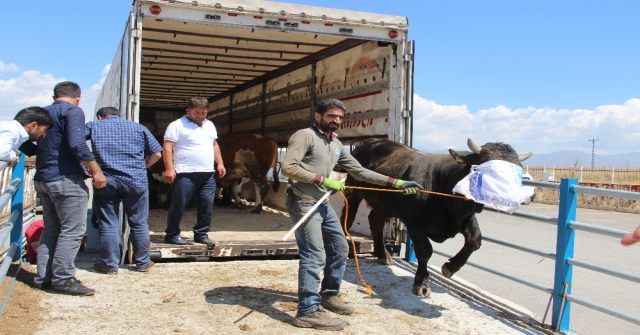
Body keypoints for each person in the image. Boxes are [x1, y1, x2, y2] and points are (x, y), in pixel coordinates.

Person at [281, 98, 423, 331]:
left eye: (339, 117)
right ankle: (306, 311)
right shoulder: (304, 136)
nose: (336, 121)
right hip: (304, 201)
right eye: (331, 116)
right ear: (318, 116)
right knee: (314, 255)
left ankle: (329, 294)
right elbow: (288, 167)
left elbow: (360, 171)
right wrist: (323, 180)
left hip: (322, 202)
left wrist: (396, 182)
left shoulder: (336, 144)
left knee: (340, 248)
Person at [33, 81, 107, 296]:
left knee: (52, 229)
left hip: (43, 179)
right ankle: (63, 279)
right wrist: (96, 171)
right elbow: (77, 144)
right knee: (72, 231)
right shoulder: (72, 111)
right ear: (78, 97)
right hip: (65, 178)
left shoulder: (42, 113)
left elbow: (29, 144)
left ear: (55, 95)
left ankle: (44, 277)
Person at [85, 107, 162, 274]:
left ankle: (109, 265)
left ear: (100, 116)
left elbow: (75, 144)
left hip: (106, 181)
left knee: (108, 223)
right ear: (120, 116)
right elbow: (157, 153)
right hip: (136, 181)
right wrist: (142, 167)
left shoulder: (94, 126)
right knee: (139, 223)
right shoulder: (139, 128)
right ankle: (142, 263)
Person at [163, 96, 226, 245]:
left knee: (207, 204)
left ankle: (201, 233)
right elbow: (167, 147)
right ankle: (172, 234)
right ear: (188, 110)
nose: (201, 116)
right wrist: (169, 169)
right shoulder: (177, 125)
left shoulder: (210, 125)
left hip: (207, 172)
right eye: (197, 112)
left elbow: (214, 145)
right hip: (185, 172)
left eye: (204, 113)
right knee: (179, 204)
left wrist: (220, 163)